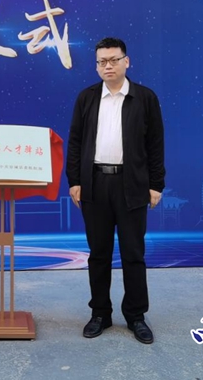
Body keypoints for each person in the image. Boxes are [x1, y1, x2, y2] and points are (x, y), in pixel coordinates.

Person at [66, 37, 165, 344]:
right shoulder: (87, 98)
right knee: (99, 254)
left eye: (113, 60)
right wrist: (74, 181)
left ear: (126, 61)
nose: (107, 66)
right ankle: (100, 313)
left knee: (133, 253)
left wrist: (156, 185)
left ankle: (136, 316)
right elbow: (75, 142)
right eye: (101, 62)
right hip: (95, 184)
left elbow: (155, 144)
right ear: (96, 66)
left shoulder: (144, 98)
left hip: (131, 184)